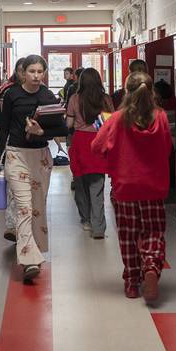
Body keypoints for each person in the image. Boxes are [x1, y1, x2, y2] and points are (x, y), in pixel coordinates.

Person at [92, 72, 172, 303]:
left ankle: (131, 282)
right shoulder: (161, 117)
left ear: (126, 91)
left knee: (128, 234)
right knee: (153, 232)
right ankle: (151, 267)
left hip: (125, 187)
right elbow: (166, 149)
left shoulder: (116, 118)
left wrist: (115, 155)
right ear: (151, 91)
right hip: (153, 187)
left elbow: (96, 147)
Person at [0, 54, 68, 282]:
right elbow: (3, 128)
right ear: (23, 72)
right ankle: (29, 260)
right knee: (23, 207)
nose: (36, 76)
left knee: (37, 207)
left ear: (44, 72)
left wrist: (42, 132)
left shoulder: (48, 96)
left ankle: (34, 250)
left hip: (41, 157)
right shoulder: (12, 94)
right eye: (31, 71)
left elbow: (62, 129)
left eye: (39, 71)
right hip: (16, 155)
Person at [66, 68, 114, 239]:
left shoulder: (74, 98)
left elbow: (69, 123)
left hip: (80, 142)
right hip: (99, 142)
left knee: (80, 184)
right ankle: (99, 227)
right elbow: (110, 123)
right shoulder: (105, 99)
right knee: (97, 185)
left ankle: (85, 220)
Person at [0, 58, 26, 242]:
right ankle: (13, 226)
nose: (25, 75)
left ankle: (25, 227)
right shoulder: (8, 92)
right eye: (21, 71)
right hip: (12, 145)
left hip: (33, 149)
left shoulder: (40, 93)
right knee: (14, 188)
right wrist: (11, 121)